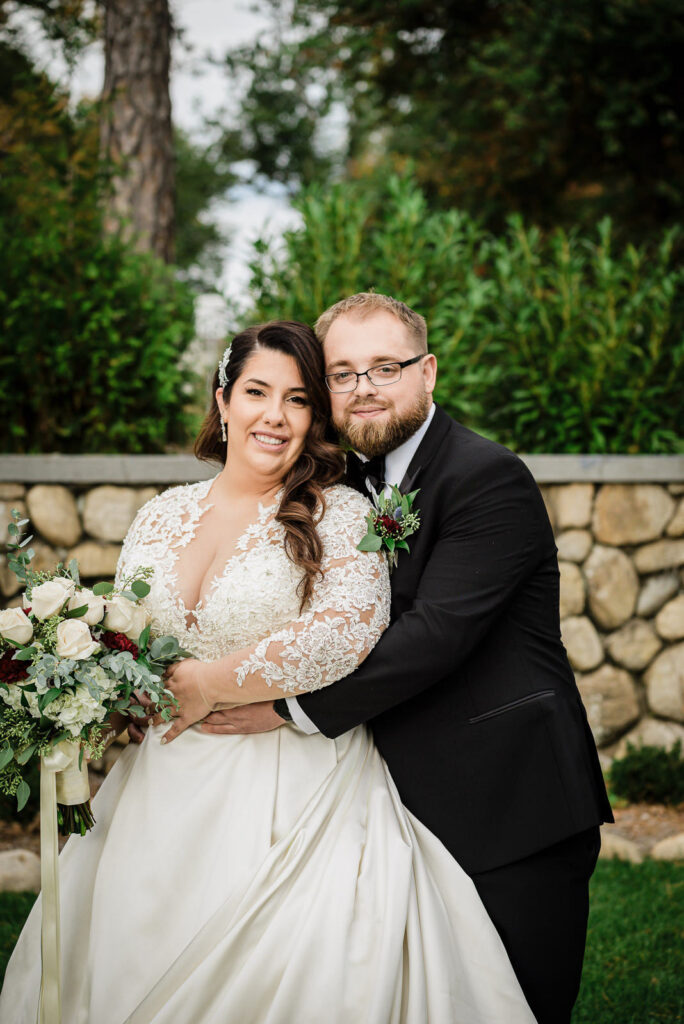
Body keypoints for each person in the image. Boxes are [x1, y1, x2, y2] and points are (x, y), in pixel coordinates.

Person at [1, 321, 536, 1024]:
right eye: (257, 391)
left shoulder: (339, 514)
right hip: (158, 785)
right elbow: (125, 632)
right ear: (223, 400)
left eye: (298, 399)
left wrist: (208, 683)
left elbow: (344, 635)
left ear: (316, 418)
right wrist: (100, 687)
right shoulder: (161, 515)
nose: (275, 416)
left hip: (293, 785)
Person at [199, 295, 614, 1024]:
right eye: (343, 372)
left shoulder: (486, 477)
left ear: (427, 373)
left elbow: (436, 637)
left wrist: (287, 709)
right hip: (393, 805)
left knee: (518, 1004)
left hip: (509, 803)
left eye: (384, 368)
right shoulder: (339, 489)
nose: (363, 388)